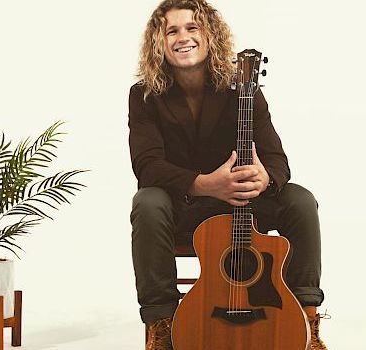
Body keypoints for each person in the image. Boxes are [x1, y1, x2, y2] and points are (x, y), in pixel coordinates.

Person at [128, 1, 327, 349]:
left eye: (192, 28)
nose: (182, 37)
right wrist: (204, 184)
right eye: (171, 30)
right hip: (185, 209)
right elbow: (147, 166)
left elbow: (278, 160)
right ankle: (162, 324)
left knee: (300, 198)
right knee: (147, 202)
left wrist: (265, 180)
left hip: (242, 209)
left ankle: (306, 320)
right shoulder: (144, 95)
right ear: (158, 41)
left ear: (210, 35)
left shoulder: (245, 89)